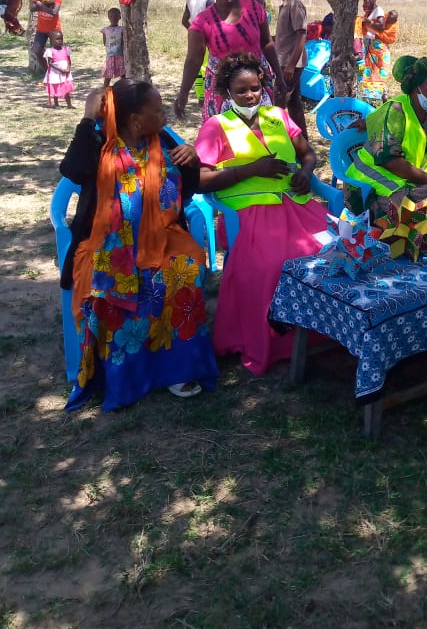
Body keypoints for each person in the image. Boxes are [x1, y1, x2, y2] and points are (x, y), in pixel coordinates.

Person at [59, 81, 218, 411]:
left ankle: (178, 369)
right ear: (134, 120)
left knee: (184, 271)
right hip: (109, 244)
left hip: (163, 237)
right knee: (112, 287)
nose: (164, 115)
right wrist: (88, 118)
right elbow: (72, 168)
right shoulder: (99, 144)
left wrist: (191, 159)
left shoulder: (163, 140)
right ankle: (126, 375)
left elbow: (187, 189)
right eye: (157, 110)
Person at [195, 53, 329, 375]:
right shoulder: (216, 127)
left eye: (255, 88)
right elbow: (200, 180)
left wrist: (305, 172)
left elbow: (307, 154)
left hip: (294, 205)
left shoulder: (277, 116)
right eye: (241, 91)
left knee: (331, 249)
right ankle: (276, 342)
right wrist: (252, 169)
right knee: (274, 265)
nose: (250, 96)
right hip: (248, 212)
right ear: (227, 93)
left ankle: (322, 331)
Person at [347, 54, 427, 216]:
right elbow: (389, 161)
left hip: (413, 180)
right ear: (416, 88)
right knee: (422, 210)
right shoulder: (395, 111)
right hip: (374, 180)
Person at [174, 0, 286, 122]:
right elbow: (194, 60)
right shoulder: (202, 22)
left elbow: (267, 44)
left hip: (255, 83)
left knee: (261, 127)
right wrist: (183, 94)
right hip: (222, 87)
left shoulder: (254, 9)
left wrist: (279, 77)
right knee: (224, 130)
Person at [271, 0, 309, 138]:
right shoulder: (285, 5)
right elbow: (288, 35)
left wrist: (291, 65)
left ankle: (276, 140)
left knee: (278, 101)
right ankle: (303, 141)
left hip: (290, 63)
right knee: (294, 103)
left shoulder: (295, 4)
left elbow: (302, 34)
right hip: (286, 62)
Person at [356, 0, 396, 103]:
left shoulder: (378, 11)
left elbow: (381, 26)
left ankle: (382, 97)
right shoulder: (369, 12)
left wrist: (366, 21)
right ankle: (372, 98)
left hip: (378, 48)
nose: (367, 1)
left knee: (378, 72)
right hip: (371, 46)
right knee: (371, 73)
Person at [30, 0, 63, 72]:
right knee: (37, 50)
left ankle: (59, 73)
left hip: (54, 29)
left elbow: (55, 12)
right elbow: (31, 8)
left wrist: (40, 5)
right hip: (41, 29)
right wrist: (48, 4)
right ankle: (47, 72)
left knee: (57, 53)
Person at [43, 30, 74, 108]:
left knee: (66, 87)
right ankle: (56, 103)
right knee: (55, 87)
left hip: (65, 72)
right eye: (57, 39)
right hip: (55, 73)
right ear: (51, 40)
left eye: (61, 39)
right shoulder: (50, 51)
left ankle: (69, 104)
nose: (60, 41)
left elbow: (69, 60)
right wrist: (60, 70)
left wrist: (68, 68)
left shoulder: (66, 49)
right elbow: (50, 63)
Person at [100, 7, 125, 86]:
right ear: (108, 17)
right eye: (111, 16)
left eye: (116, 16)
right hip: (110, 56)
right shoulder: (105, 30)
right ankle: (105, 91)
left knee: (123, 75)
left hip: (120, 56)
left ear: (119, 17)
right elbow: (105, 43)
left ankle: (125, 89)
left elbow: (123, 42)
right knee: (108, 76)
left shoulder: (122, 29)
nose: (113, 18)